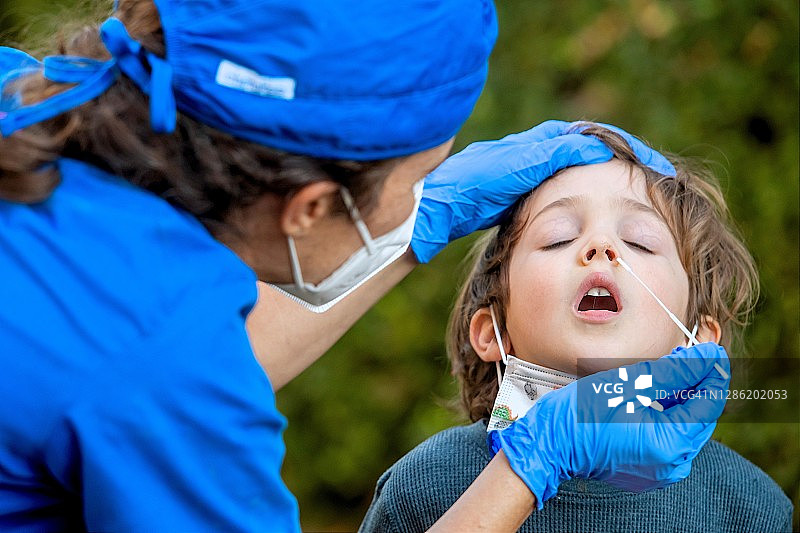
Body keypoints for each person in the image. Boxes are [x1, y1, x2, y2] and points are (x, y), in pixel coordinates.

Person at [0, 0, 731, 530]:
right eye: (416, 188)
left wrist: (418, 225)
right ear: (308, 207)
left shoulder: (23, 99)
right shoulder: (165, 372)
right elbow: (151, 373)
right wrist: (528, 464)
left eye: (638, 242)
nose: (602, 250)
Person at [360, 124, 794, 532]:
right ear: (494, 331)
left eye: (641, 240)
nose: (601, 247)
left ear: (697, 341)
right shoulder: (426, 486)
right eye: (558, 237)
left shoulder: (747, 505)